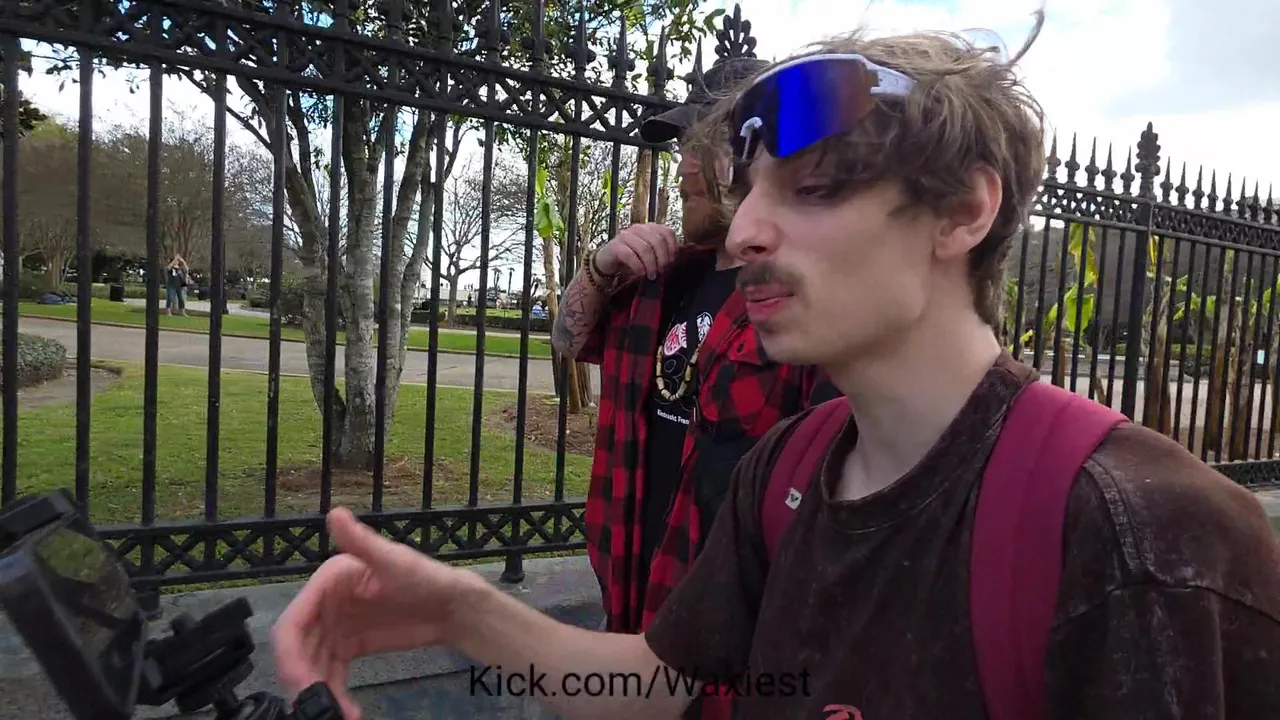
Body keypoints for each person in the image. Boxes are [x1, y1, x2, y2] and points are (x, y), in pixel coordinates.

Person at [270, 22, 1280, 720]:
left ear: (963, 212)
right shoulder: (787, 470)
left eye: (811, 189)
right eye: (751, 188)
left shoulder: (1143, 535)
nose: (748, 229)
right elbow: (654, 688)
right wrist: (462, 611)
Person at [551, 53, 837, 638]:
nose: (680, 168)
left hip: (726, 622)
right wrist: (601, 266)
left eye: (697, 147)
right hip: (629, 580)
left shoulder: (805, 304)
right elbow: (567, 339)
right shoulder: (659, 277)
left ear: (753, 157)